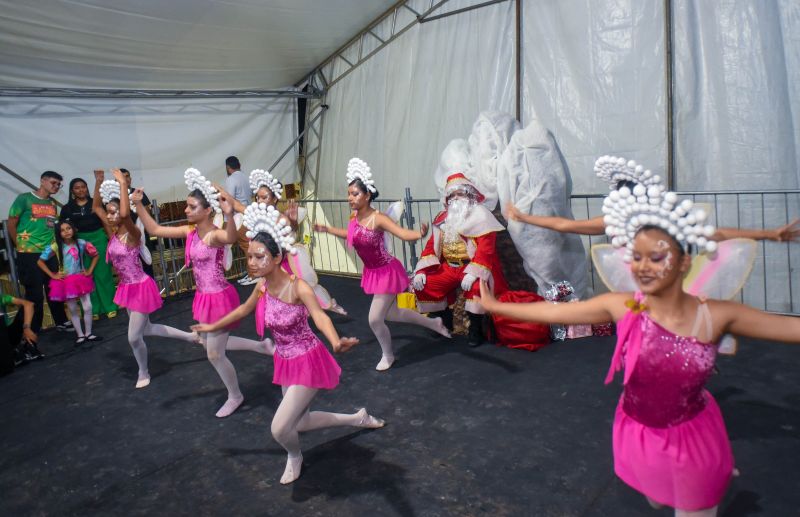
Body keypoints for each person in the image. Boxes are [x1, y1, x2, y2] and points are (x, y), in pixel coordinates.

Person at [477, 184, 800, 517]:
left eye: (656, 258)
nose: (642, 267)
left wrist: (769, 233)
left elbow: (791, 327)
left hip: (691, 439)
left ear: (684, 263)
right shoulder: (623, 306)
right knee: (657, 498)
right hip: (638, 431)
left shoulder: (716, 315)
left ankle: (713, 473)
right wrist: (494, 305)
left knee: (693, 505)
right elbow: (554, 312)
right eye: (636, 257)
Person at [192, 202, 384, 484]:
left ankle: (294, 456)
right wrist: (212, 326)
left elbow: (319, 317)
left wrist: (335, 340)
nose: (252, 263)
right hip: (284, 360)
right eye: (249, 257)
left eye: (260, 257)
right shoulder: (263, 286)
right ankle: (357, 418)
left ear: (277, 256)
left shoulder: (299, 287)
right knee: (302, 422)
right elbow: (243, 311)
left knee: (280, 429)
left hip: (308, 360)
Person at [133, 167, 269, 415]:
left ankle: (235, 395)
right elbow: (154, 230)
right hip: (203, 297)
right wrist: (138, 205)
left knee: (214, 354)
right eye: (187, 205)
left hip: (219, 298)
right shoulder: (189, 232)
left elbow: (229, 237)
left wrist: (229, 215)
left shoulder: (215, 236)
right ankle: (261, 347)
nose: (185, 210)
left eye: (191, 206)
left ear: (207, 210)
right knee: (209, 342)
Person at [314, 158, 450, 371]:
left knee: (375, 319)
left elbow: (401, 233)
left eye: (355, 194)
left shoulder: (378, 219)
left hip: (387, 272)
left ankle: (388, 355)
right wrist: (328, 229)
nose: (350, 198)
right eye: (349, 193)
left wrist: (419, 234)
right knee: (393, 313)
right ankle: (434, 323)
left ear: (367, 195)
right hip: (373, 272)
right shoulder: (355, 217)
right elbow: (351, 235)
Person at [505, 155, 800, 243]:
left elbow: (717, 233)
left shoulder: (663, 222)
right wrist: (524, 216)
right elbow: (564, 225)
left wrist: (769, 234)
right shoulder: (616, 221)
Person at [93, 169, 198, 389]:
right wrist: (98, 182)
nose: (111, 216)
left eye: (114, 212)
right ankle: (190, 337)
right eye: (109, 213)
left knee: (133, 337)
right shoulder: (111, 233)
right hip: (125, 287)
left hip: (140, 287)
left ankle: (143, 371)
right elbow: (95, 208)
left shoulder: (133, 234)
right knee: (147, 329)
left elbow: (124, 214)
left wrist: (123, 184)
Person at [218, 169, 347, 314]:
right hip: (266, 265)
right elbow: (235, 205)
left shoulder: (280, 218)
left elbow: (291, 230)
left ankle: (312, 311)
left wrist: (292, 221)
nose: (260, 201)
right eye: (258, 198)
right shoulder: (254, 213)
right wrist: (220, 191)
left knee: (297, 291)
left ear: (274, 199)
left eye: (264, 197)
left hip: (282, 265)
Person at [411, 172, 509, 347]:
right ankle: (444, 320)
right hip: (448, 267)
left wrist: (472, 272)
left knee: (477, 287)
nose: (455, 198)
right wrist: (421, 271)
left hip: (472, 266)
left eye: (460, 194)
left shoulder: (481, 215)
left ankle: (475, 329)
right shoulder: (442, 219)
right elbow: (431, 246)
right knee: (426, 283)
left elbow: (486, 249)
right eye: (452, 195)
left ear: (469, 195)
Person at [7, 170, 70, 339]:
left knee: (55, 287)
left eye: (59, 184)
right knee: (34, 293)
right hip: (29, 254)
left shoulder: (52, 203)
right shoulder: (24, 199)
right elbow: (11, 223)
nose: (56, 186)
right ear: (42, 181)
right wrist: (19, 244)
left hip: (49, 253)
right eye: (53, 183)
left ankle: (61, 321)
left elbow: (50, 227)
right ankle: (33, 328)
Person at [60, 177, 119, 319]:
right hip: (79, 243)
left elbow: (106, 223)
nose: (81, 190)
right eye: (77, 188)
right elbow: (63, 229)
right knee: (85, 275)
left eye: (83, 186)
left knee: (103, 273)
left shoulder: (96, 203)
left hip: (99, 238)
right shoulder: (67, 208)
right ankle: (93, 310)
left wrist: (112, 240)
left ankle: (110, 306)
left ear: (87, 188)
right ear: (72, 191)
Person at [37, 220, 100, 345]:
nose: (66, 232)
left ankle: (89, 333)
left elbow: (96, 255)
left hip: (81, 278)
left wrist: (89, 270)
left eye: (68, 228)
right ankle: (80, 335)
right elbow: (40, 261)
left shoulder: (81, 243)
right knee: (72, 308)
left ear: (74, 229)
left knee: (88, 306)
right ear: (58, 233)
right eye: (62, 230)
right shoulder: (56, 246)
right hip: (66, 281)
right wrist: (53, 275)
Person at [119, 168, 156, 278]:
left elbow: (147, 214)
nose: (125, 179)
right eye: (122, 177)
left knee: (147, 265)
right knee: (129, 267)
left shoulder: (139, 193)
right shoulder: (114, 196)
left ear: (130, 178)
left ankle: (150, 294)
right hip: (124, 238)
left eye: (127, 176)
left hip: (141, 235)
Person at [1, 293, 38, 371]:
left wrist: (26, 328)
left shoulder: (2, 298)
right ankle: (12, 353)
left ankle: (28, 346)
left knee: (29, 308)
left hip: (8, 335)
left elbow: (29, 305)